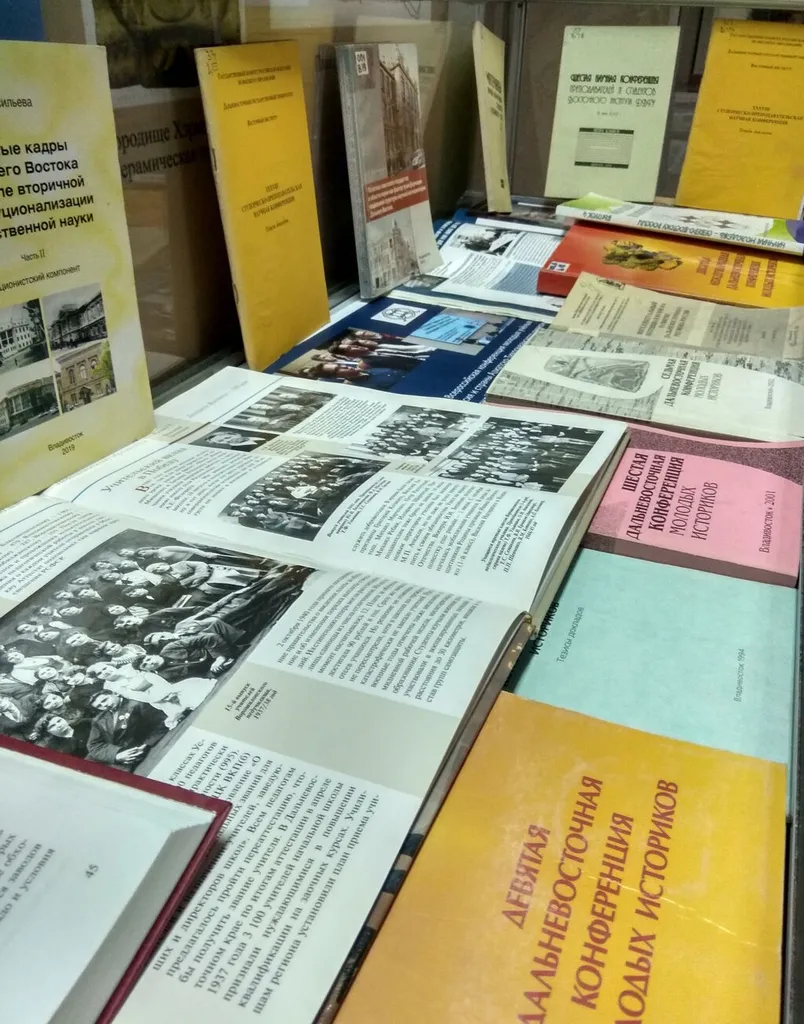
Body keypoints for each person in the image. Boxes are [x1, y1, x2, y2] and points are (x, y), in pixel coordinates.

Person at [85, 692, 167, 768]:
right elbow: (93, 745)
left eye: (105, 700)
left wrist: (145, 745)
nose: (104, 705)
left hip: (134, 752)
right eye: (99, 706)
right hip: (106, 756)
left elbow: (161, 722)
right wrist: (116, 756)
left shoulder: (136, 704)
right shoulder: (99, 720)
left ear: (115, 694)